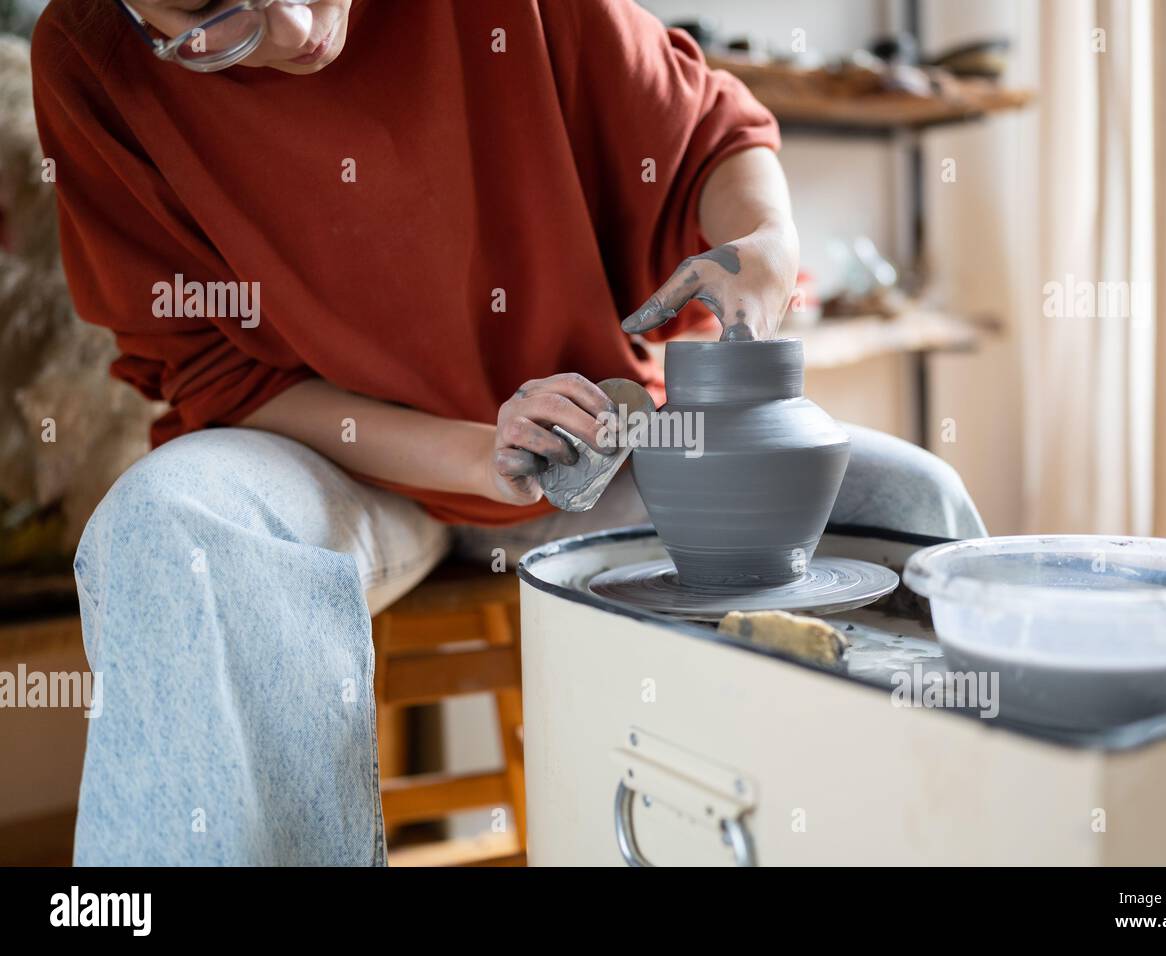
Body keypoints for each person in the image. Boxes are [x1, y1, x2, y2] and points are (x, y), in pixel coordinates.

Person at [32, 0, 985, 865]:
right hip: (330, 459)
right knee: (167, 529)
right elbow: (215, 374)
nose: (293, 26)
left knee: (905, 501)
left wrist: (766, 243)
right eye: (214, 18)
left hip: (591, 450)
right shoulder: (90, 59)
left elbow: (710, 133)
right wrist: (472, 453)